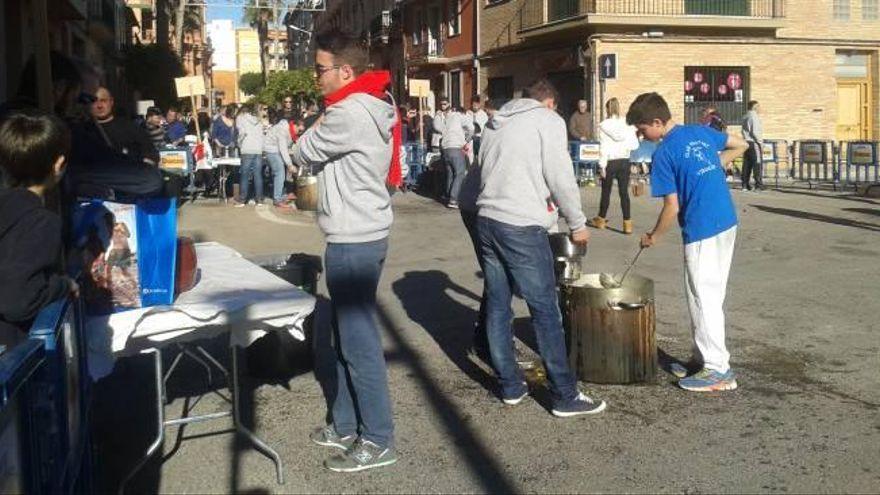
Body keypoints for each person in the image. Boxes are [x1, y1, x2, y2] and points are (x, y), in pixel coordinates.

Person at [291, 28, 402, 472]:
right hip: (360, 233)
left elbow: (300, 152)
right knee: (339, 335)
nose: (316, 77)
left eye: (321, 70)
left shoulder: (349, 113)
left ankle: (377, 439)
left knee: (358, 344)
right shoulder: (371, 104)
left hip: (353, 240)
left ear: (346, 71)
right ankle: (344, 422)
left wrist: (315, 122)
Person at [476, 78, 606, 417]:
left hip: (487, 219)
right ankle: (564, 395)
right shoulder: (548, 121)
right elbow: (560, 175)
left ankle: (510, 385)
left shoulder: (495, 122)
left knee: (498, 305)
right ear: (550, 103)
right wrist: (577, 223)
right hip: (520, 224)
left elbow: (489, 169)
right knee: (545, 309)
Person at [626, 92, 748, 392]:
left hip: (702, 226)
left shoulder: (664, 154)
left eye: (642, 130)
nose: (642, 136)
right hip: (726, 220)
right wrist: (715, 165)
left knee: (701, 294)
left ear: (657, 122)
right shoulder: (699, 131)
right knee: (711, 292)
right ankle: (702, 357)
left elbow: (672, 207)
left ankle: (719, 369)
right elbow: (741, 144)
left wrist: (654, 236)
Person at [0, 111, 78, 349]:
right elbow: (19, 301)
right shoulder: (41, 222)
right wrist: (64, 284)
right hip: (11, 357)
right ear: (58, 165)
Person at [590, 98, 639, 234]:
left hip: (611, 162)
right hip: (624, 160)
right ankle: (627, 224)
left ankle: (601, 219)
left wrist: (602, 166)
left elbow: (603, 148)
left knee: (606, 192)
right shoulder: (627, 124)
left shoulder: (604, 126)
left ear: (607, 109)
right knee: (624, 193)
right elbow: (635, 145)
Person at [89, 87, 160, 166]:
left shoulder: (132, 128)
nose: (99, 105)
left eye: (103, 101)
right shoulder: (82, 131)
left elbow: (152, 156)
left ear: (111, 102)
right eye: (94, 101)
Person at [433, 99, 473, 209]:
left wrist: (437, 116)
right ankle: (453, 199)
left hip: (445, 148)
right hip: (456, 147)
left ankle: (448, 195)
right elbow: (471, 127)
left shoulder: (446, 119)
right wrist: (467, 139)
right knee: (459, 173)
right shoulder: (460, 116)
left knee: (450, 173)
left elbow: (437, 127)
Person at [263, 108, 295, 210]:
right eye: (299, 128)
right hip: (271, 150)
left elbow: (286, 147)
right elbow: (283, 149)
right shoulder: (282, 129)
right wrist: (290, 164)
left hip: (274, 149)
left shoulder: (287, 129)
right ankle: (277, 199)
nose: (300, 130)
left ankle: (281, 195)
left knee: (280, 172)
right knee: (280, 172)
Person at [234, 104, 265, 206]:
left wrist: (239, 143)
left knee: (244, 175)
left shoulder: (240, 118)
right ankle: (259, 200)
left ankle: (242, 200)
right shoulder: (259, 119)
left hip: (247, 148)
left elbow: (242, 132)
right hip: (258, 149)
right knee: (258, 175)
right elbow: (262, 134)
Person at [741, 100, 764, 191]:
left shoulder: (745, 116)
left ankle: (745, 184)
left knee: (747, 163)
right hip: (754, 142)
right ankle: (758, 184)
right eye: (758, 106)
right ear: (754, 107)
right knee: (757, 163)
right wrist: (760, 142)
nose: (759, 108)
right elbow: (755, 131)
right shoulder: (754, 116)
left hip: (746, 141)